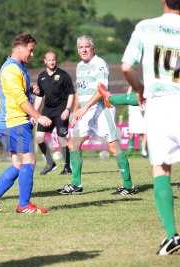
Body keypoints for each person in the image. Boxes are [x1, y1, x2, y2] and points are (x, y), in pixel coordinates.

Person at [121, 0, 180, 255]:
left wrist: (139, 89)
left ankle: (172, 236)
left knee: (161, 168)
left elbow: (126, 67)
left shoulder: (146, 27)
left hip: (160, 104)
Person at [58, 35, 138, 196]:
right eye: (80, 47)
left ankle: (129, 185)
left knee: (112, 146)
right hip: (85, 111)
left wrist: (85, 108)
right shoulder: (80, 66)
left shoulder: (100, 64)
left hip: (102, 110)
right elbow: (80, 92)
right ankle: (76, 184)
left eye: (86, 46)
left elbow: (102, 91)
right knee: (73, 144)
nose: (83, 50)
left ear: (93, 48)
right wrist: (75, 110)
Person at [0, 33, 51, 214]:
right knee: (29, 160)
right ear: (20, 47)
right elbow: (19, 99)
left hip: (9, 122)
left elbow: (6, 94)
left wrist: (30, 88)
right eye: (31, 50)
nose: (32, 54)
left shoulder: (17, 67)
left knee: (18, 164)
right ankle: (24, 205)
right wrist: (38, 115)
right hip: (16, 122)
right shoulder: (11, 70)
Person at [33, 50, 75, 175]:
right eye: (49, 60)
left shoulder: (63, 75)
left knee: (62, 138)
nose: (52, 62)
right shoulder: (41, 76)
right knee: (39, 138)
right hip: (47, 111)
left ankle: (67, 167)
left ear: (56, 60)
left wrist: (68, 110)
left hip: (61, 111)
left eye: (54, 59)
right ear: (45, 61)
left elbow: (71, 93)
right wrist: (35, 113)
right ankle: (50, 163)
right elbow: (40, 96)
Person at [126, 87, 148, 157]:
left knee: (143, 133)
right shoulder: (130, 98)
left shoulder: (143, 99)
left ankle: (143, 150)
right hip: (133, 117)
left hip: (142, 117)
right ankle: (130, 148)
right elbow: (128, 94)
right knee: (131, 134)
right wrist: (131, 85)